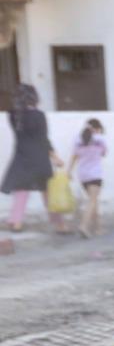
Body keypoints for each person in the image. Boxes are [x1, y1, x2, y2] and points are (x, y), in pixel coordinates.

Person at [2, 84, 66, 234]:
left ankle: (16, 223)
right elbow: (43, 139)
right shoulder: (39, 115)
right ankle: (60, 225)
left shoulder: (12, 115)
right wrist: (55, 157)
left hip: (22, 158)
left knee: (21, 192)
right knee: (48, 193)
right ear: (34, 97)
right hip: (40, 159)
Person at [68, 118, 107, 238]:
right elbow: (104, 153)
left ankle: (98, 228)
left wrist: (68, 171)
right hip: (95, 174)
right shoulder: (100, 139)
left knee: (93, 200)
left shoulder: (78, 139)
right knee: (92, 201)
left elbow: (74, 156)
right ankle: (84, 226)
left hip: (83, 175)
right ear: (98, 128)